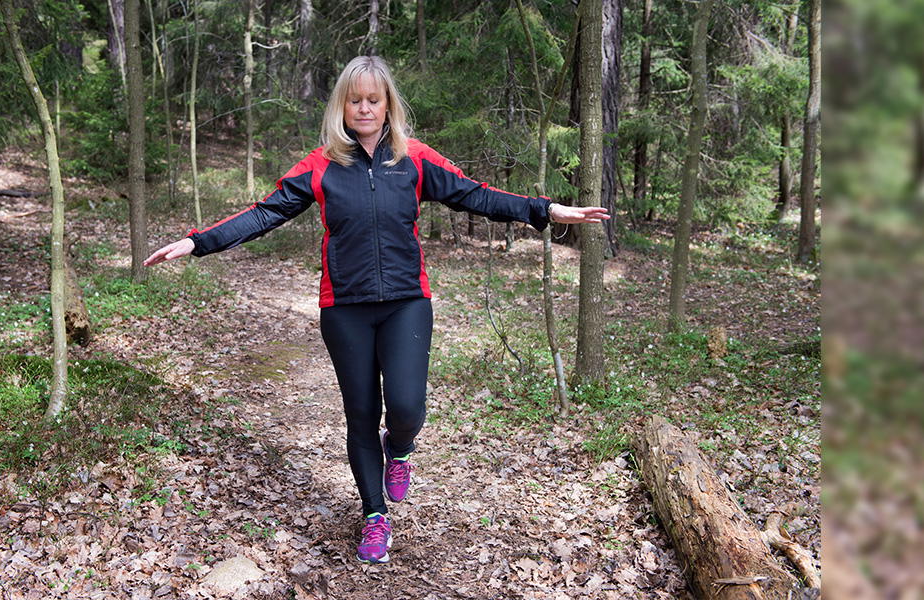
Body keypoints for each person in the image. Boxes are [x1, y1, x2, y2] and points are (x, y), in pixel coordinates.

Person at [144, 56, 609, 564]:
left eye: (374, 99)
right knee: (360, 413)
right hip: (344, 307)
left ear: (388, 104)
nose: (364, 108)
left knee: (406, 408)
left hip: (407, 302)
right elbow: (264, 213)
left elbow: (476, 195)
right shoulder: (319, 166)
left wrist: (544, 209)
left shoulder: (415, 159)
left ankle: (401, 447)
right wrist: (197, 243)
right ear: (342, 104)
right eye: (355, 99)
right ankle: (373, 516)